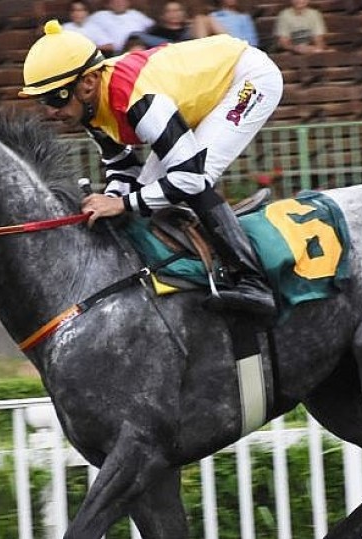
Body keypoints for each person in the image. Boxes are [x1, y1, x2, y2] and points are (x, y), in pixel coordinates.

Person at [18, 22, 280, 322]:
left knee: (194, 179)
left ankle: (254, 281)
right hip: (202, 93)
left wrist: (121, 203)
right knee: (147, 191)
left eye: (55, 98)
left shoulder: (137, 101)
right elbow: (123, 166)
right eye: (43, 100)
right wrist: (112, 199)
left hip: (247, 79)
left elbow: (189, 178)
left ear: (87, 83)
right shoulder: (89, 107)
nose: (50, 111)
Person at [139, 0, 222, 47]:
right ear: (162, 15)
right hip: (171, 52)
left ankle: (232, 46)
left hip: (192, 49)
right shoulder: (155, 31)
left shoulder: (189, 29)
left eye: (178, 10)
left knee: (203, 19)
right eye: (170, 11)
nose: (175, 14)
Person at [84, 0, 154, 55]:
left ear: (128, 3)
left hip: (139, 50)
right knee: (134, 35)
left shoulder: (136, 14)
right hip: (115, 53)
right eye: (115, 1)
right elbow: (85, 27)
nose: (119, 3)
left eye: (122, 1)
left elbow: (153, 28)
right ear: (109, 3)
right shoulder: (100, 16)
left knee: (135, 35)